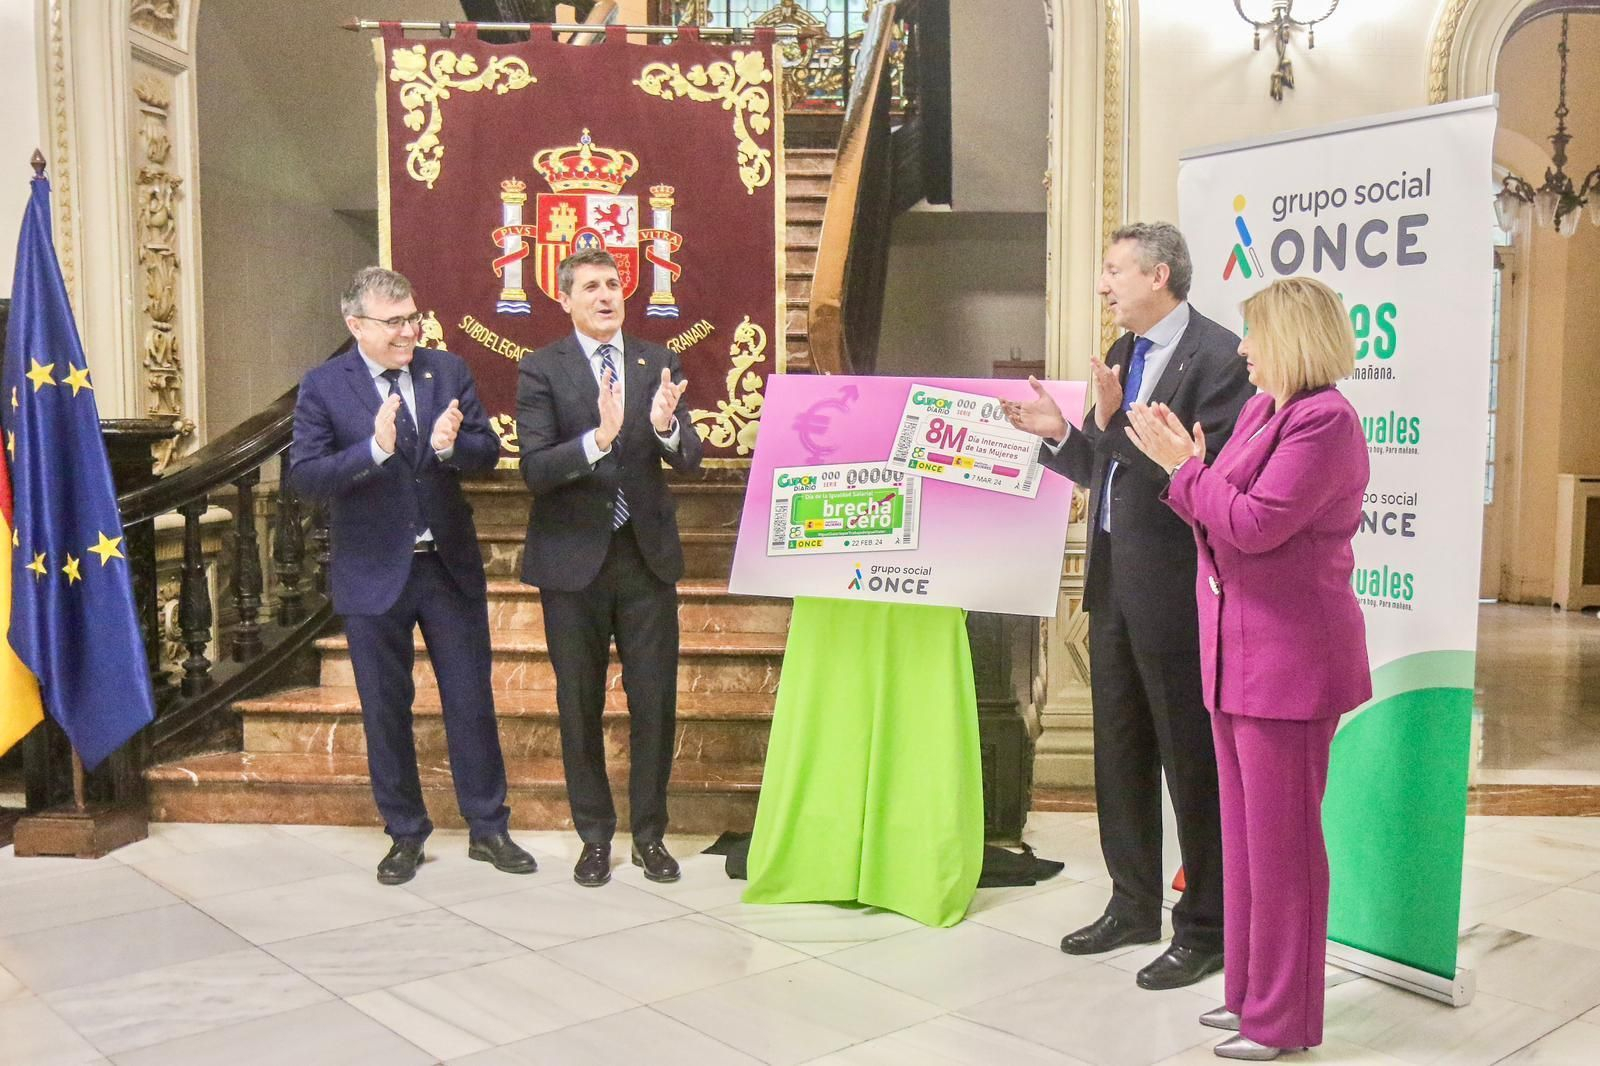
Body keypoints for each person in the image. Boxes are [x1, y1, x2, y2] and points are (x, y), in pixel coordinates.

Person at [1123, 276, 1371, 1061]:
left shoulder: (1326, 423)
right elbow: (1221, 503)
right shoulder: (1268, 409)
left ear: (1294, 340)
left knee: (1285, 852)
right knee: (1245, 846)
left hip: (1292, 664)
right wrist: (1196, 474)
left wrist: (1184, 471)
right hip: (1237, 656)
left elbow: (1253, 524)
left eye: (1255, 335)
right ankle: (1249, 996)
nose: (1242, 349)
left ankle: (1284, 1021)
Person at [1002, 222, 1254, 989]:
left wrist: (1110, 429)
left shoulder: (1219, 358)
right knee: (1120, 751)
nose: (1104, 285)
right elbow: (1105, 468)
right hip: (1112, 584)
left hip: (1179, 589)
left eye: (1114, 271)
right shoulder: (1122, 356)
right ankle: (1132, 903)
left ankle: (1205, 925)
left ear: (1160, 275)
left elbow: (1192, 479)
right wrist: (1060, 438)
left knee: (1190, 760)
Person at [290, 266, 537, 886]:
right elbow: (305, 478)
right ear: (356, 326)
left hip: (447, 566)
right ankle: (404, 832)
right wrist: (372, 450)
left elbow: (487, 453)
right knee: (384, 707)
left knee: (471, 700)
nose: (409, 331)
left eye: (412, 317)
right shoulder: (324, 386)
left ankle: (489, 827)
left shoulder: (445, 370)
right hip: (372, 572)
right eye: (394, 321)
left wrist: (456, 447)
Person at [516, 247, 702, 887]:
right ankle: (595, 837)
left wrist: (667, 426)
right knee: (579, 703)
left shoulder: (658, 361)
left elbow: (689, 459)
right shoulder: (541, 369)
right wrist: (596, 440)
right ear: (564, 298)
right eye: (590, 286)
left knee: (655, 704)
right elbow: (536, 470)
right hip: (572, 565)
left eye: (613, 283)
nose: (605, 295)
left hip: (645, 560)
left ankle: (650, 835)